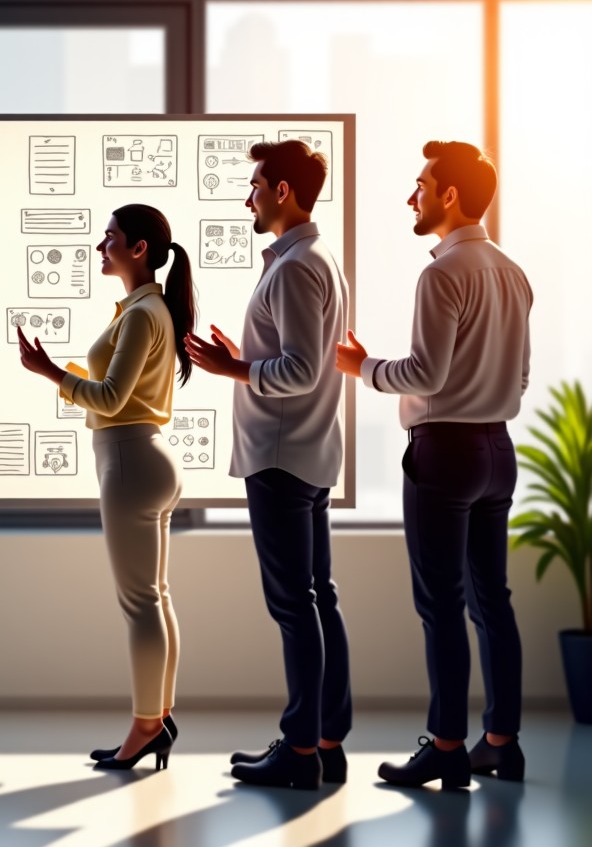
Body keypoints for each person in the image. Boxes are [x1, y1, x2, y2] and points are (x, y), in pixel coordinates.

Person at [336, 140, 532, 789]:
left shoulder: (442, 275)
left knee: (441, 605)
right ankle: (501, 741)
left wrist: (360, 367)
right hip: (498, 451)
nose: (411, 196)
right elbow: (520, 375)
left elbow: (425, 372)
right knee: (491, 602)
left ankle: (446, 746)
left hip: (444, 454)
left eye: (421, 185)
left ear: (449, 196)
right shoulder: (513, 273)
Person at [185, 140, 352, 791]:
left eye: (256, 185)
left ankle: (300, 750)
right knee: (318, 600)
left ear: (284, 191)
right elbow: (300, 354)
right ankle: (327, 742)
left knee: (293, 606)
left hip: (282, 458)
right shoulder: (315, 258)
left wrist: (236, 368)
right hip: (307, 451)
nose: (248, 196)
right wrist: (245, 353)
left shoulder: (293, 268)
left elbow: (303, 369)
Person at [18, 204, 195, 772]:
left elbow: (111, 400)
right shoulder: (150, 309)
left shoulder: (143, 314)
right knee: (156, 598)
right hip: (149, 459)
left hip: (128, 459)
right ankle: (158, 717)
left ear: (138, 249)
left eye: (110, 237)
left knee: (140, 602)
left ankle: (145, 728)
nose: (101, 245)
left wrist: (52, 373)